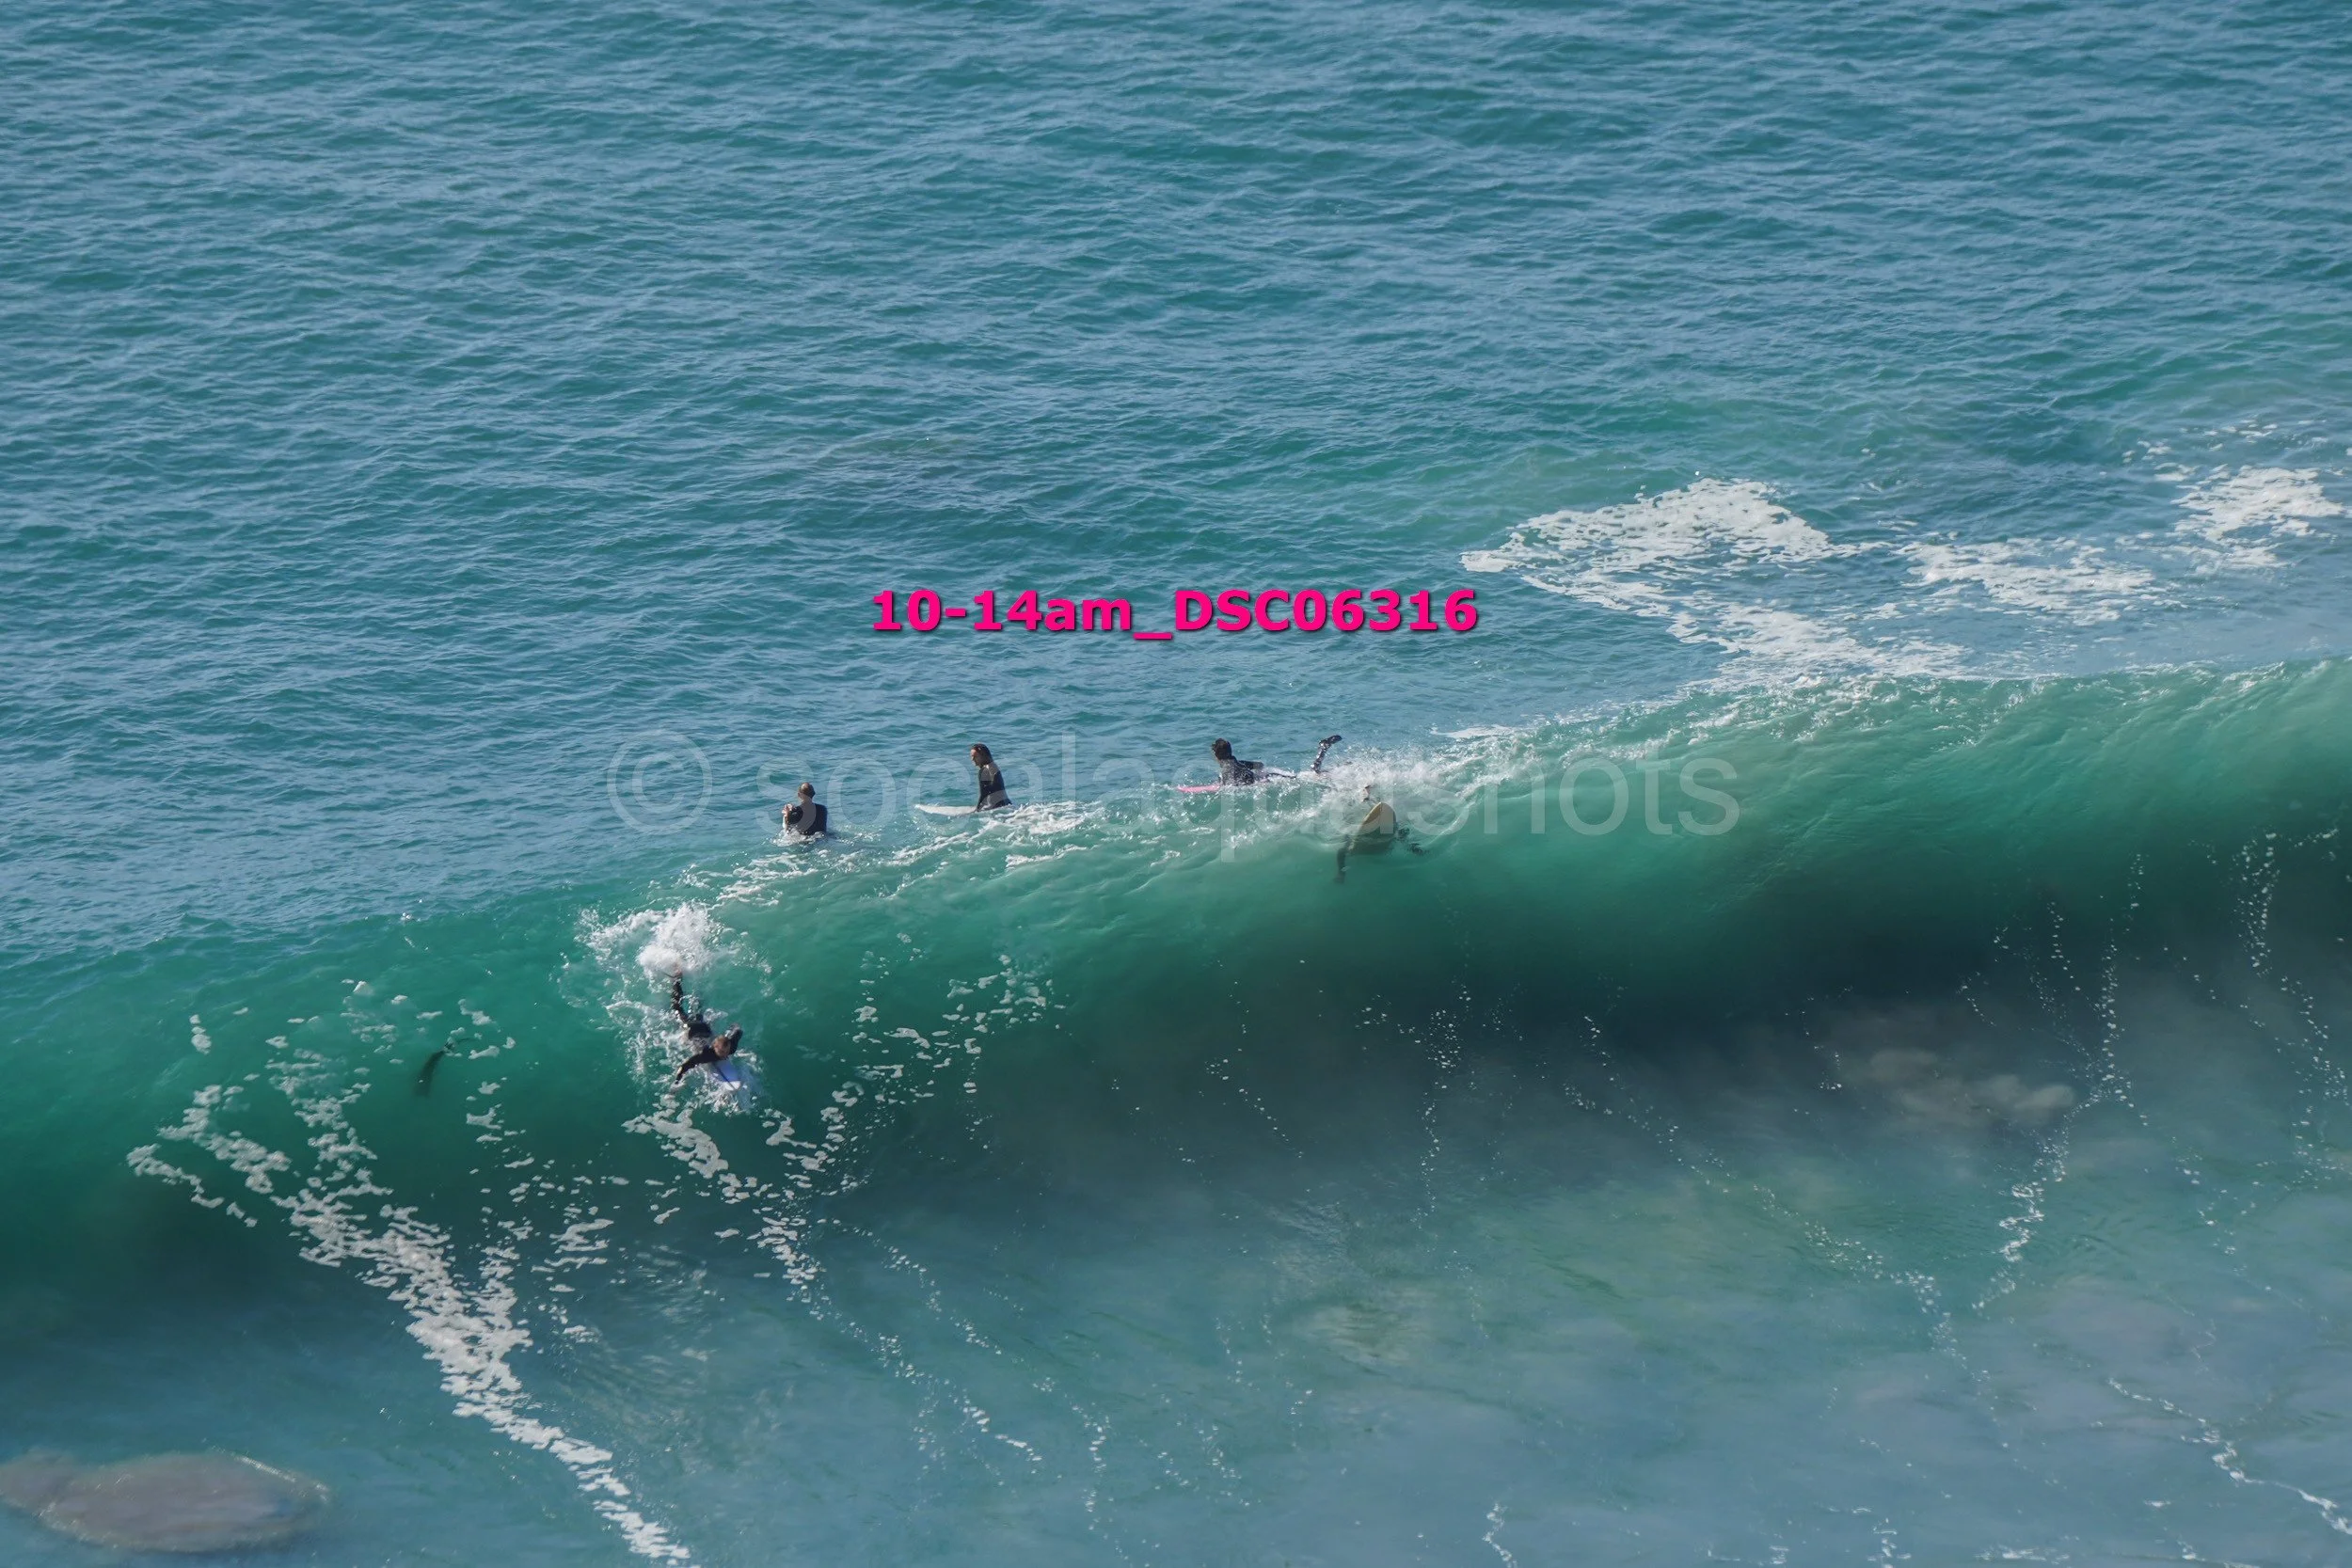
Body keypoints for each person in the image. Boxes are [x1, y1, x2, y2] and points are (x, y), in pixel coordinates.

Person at [1335, 785, 1422, 881]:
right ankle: (1413, 848)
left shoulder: (1373, 804)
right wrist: (1341, 873)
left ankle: (1413, 848)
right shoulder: (1357, 807)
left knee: (1400, 830)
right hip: (1363, 835)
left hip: (1376, 829)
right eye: (1366, 791)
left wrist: (1413, 847)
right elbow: (1341, 852)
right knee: (1347, 839)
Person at [669, 972, 743, 1083]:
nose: (725, 1055)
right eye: (722, 1052)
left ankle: (693, 991)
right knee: (677, 1009)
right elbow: (685, 1066)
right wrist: (677, 1080)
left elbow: (738, 1032)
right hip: (690, 1029)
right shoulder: (705, 1055)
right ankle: (676, 981)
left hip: (704, 1027)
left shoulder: (731, 1046)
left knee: (698, 1011)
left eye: (726, 1052)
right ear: (714, 1047)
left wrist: (735, 1026)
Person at [971, 743, 1012, 810]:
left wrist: (977, 810)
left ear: (983, 756)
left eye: (975, 757)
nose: (972, 759)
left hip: (996, 807)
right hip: (1007, 804)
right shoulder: (994, 766)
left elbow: (983, 794)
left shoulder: (984, 771)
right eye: (971, 756)